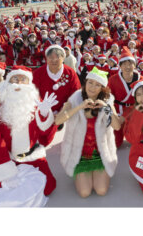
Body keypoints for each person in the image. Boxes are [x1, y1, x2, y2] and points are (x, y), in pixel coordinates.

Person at [0, 65, 59, 197]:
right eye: (15, 78)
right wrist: (7, 171)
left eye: (23, 79)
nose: (18, 82)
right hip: (7, 158)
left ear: (29, 84)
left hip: (32, 155)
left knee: (47, 187)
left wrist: (45, 115)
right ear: (8, 82)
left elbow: (45, 138)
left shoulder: (37, 104)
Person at [53, 68, 122, 198]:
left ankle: (96, 172)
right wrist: (79, 107)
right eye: (91, 82)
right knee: (85, 193)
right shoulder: (74, 99)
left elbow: (117, 126)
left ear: (102, 88)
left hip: (100, 153)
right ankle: (82, 172)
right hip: (79, 154)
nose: (93, 87)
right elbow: (58, 121)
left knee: (101, 190)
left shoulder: (107, 101)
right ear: (85, 83)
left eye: (97, 85)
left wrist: (106, 108)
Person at [32, 44, 82, 121]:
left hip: (65, 114)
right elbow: (33, 93)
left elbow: (75, 93)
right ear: (46, 59)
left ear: (63, 58)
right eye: (51, 58)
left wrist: (63, 111)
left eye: (57, 57)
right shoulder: (38, 73)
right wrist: (43, 109)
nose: (54, 60)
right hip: (41, 113)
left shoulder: (70, 73)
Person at [107, 48, 140, 148]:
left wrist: (125, 115)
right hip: (117, 111)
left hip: (134, 112)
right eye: (124, 64)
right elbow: (107, 98)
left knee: (136, 141)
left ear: (134, 65)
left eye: (130, 63)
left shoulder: (141, 80)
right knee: (116, 143)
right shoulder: (113, 79)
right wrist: (113, 115)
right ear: (120, 66)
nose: (127, 67)